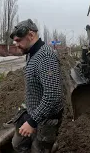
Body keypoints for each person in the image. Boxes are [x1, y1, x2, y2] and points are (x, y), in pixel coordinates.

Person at [10, 19, 63, 153]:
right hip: (33, 112)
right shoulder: (31, 53)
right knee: (17, 144)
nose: (16, 44)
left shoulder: (45, 56)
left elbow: (53, 95)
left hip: (47, 119)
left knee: (37, 149)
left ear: (31, 35)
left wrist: (33, 122)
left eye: (18, 40)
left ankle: (52, 146)